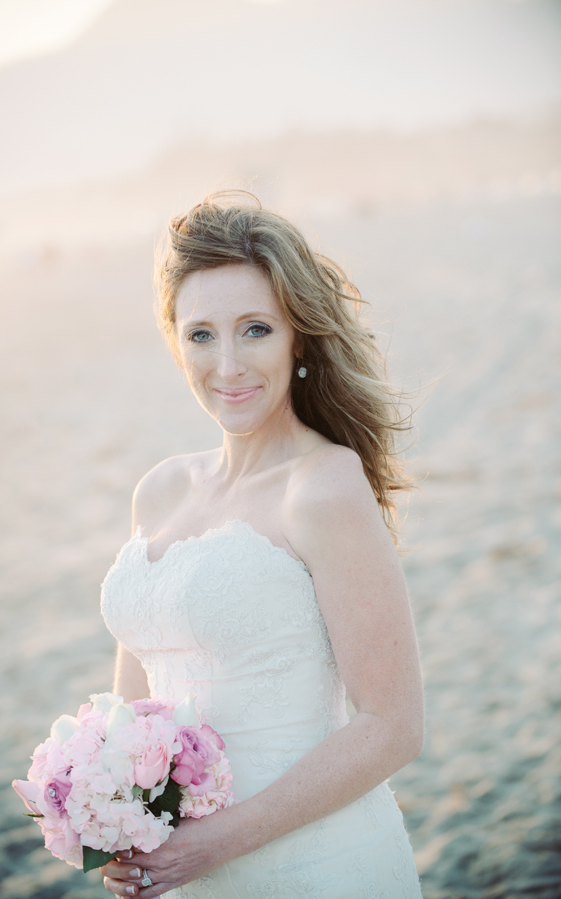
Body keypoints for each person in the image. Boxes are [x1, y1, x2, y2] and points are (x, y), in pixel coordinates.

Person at [99, 191, 424, 897]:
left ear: (297, 336)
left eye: (255, 329)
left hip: (316, 866)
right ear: (175, 339)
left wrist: (214, 843)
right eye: (201, 335)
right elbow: (129, 715)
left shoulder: (325, 486)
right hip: (181, 876)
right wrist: (105, 812)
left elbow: (393, 725)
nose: (228, 366)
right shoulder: (157, 491)